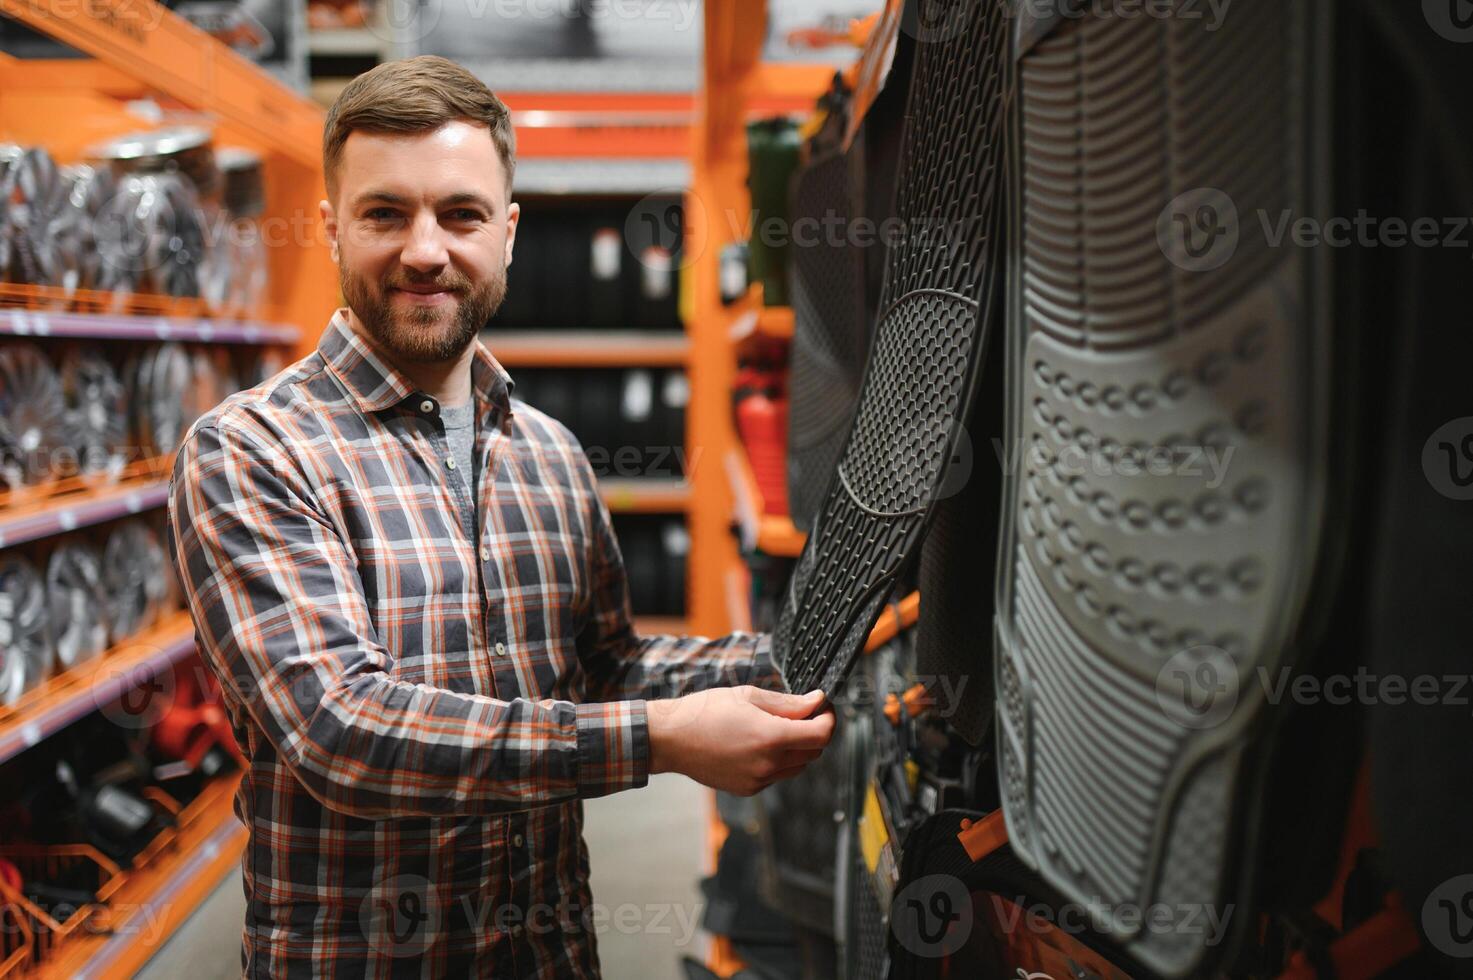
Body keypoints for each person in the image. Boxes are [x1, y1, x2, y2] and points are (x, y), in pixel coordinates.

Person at [166, 54, 834, 977]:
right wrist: (665, 741)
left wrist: (809, 645)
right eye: (385, 214)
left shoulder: (549, 452)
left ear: (509, 232)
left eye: (462, 213)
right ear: (329, 228)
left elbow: (601, 667)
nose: (426, 250)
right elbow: (342, 733)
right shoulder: (250, 451)